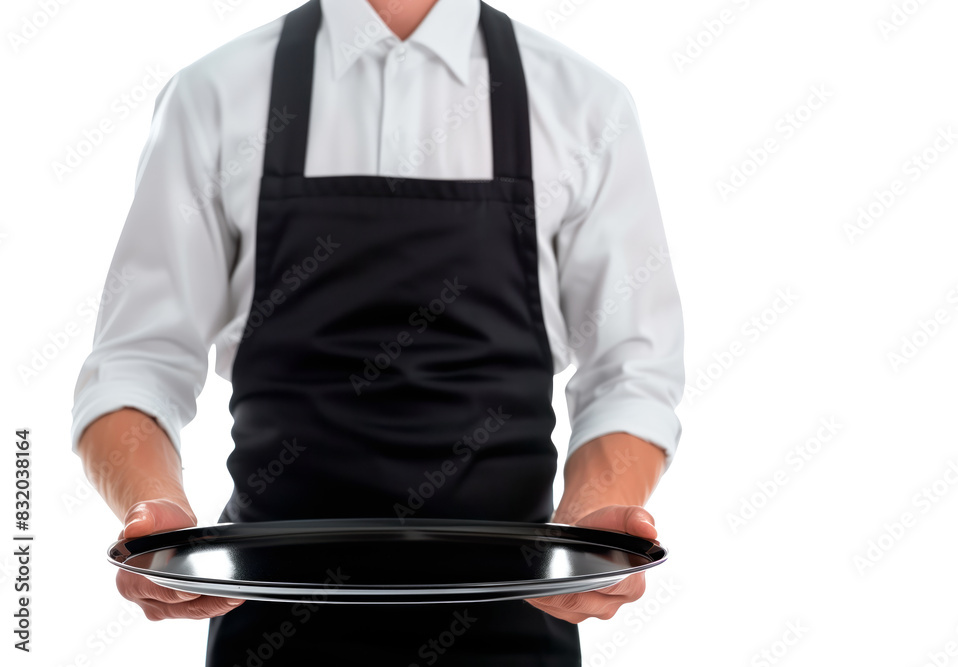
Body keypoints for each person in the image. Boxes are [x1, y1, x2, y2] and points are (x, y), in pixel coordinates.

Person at [72, 0, 684, 663]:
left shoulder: (585, 106)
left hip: (518, 627)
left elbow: (631, 372)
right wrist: (153, 508)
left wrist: (593, 522)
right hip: (272, 627)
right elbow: (136, 363)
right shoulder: (213, 97)